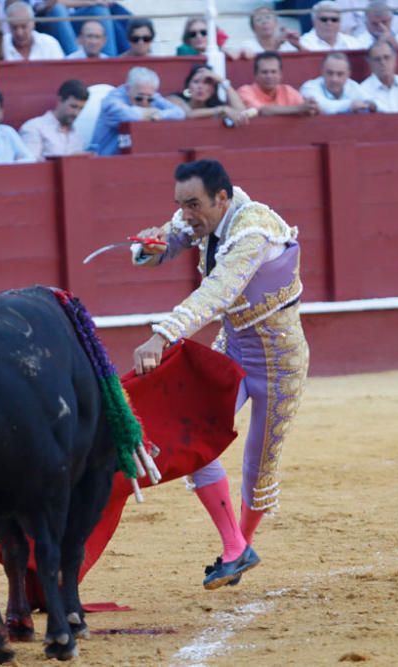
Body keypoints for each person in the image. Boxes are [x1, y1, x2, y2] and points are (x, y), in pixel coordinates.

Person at [131, 158, 309, 591]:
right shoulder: (203, 215)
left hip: (280, 361)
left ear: (222, 198)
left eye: (193, 205)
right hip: (233, 350)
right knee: (196, 440)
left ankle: (238, 549)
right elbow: (169, 240)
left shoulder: (252, 231)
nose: (186, 214)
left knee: (258, 463)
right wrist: (151, 247)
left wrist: (162, 336)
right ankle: (235, 547)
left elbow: (218, 291)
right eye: (180, 204)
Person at [90, 66, 185, 156]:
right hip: (104, 157)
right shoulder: (112, 101)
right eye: (139, 98)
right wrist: (151, 113)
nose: (144, 102)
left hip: (134, 155)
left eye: (149, 100)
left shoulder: (149, 93)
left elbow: (179, 113)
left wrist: (160, 114)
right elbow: (131, 117)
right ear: (128, 89)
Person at [32, 0, 131, 57]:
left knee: (100, 10)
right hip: (46, 20)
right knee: (58, 9)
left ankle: (107, 59)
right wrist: (88, 1)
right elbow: (50, 3)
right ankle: (75, 59)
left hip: (74, 16)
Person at [19, 78, 87, 160]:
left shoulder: (78, 135)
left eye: (81, 108)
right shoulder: (33, 127)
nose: (76, 113)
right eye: (73, 106)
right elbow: (30, 165)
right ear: (60, 100)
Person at [237, 51, 319, 116]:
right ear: (256, 75)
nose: (269, 76)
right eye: (264, 72)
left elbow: (306, 109)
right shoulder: (245, 91)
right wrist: (299, 109)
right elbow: (263, 111)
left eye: (274, 72)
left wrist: (311, 107)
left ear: (280, 75)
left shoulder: (287, 90)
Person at [168, 63, 252, 125]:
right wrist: (222, 109)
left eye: (207, 83)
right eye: (196, 82)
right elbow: (188, 114)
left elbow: (241, 112)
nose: (200, 87)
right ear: (188, 86)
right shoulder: (175, 99)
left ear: (213, 89)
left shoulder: (215, 106)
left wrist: (222, 81)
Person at [299, 51, 376, 113]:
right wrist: (350, 105)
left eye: (340, 74)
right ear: (322, 72)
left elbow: (371, 103)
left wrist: (371, 105)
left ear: (348, 74)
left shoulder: (353, 86)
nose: (334, 79)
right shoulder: (309, 87)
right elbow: (324, 107)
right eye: (330, 73)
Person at [226, 6, 302, 59]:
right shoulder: (247, 45)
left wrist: (298, 46)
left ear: (276, 23)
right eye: (259, 19)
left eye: (268, 17)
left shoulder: (288, 44)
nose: (264, 22)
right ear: (253, 28)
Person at [299, 1, 364, 51]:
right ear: (314, 22)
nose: (329, 23)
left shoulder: (354, 44)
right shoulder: (302, 43)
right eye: (324, 19)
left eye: (334, 20)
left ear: (340, 22)